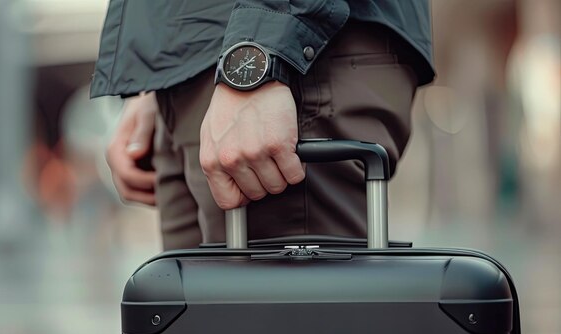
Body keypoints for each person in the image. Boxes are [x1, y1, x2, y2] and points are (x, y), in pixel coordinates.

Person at [92, 1, 435, 250]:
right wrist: (153, 85)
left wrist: (261, 54)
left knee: (292, 332)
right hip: (196, 67)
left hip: (295, 52)